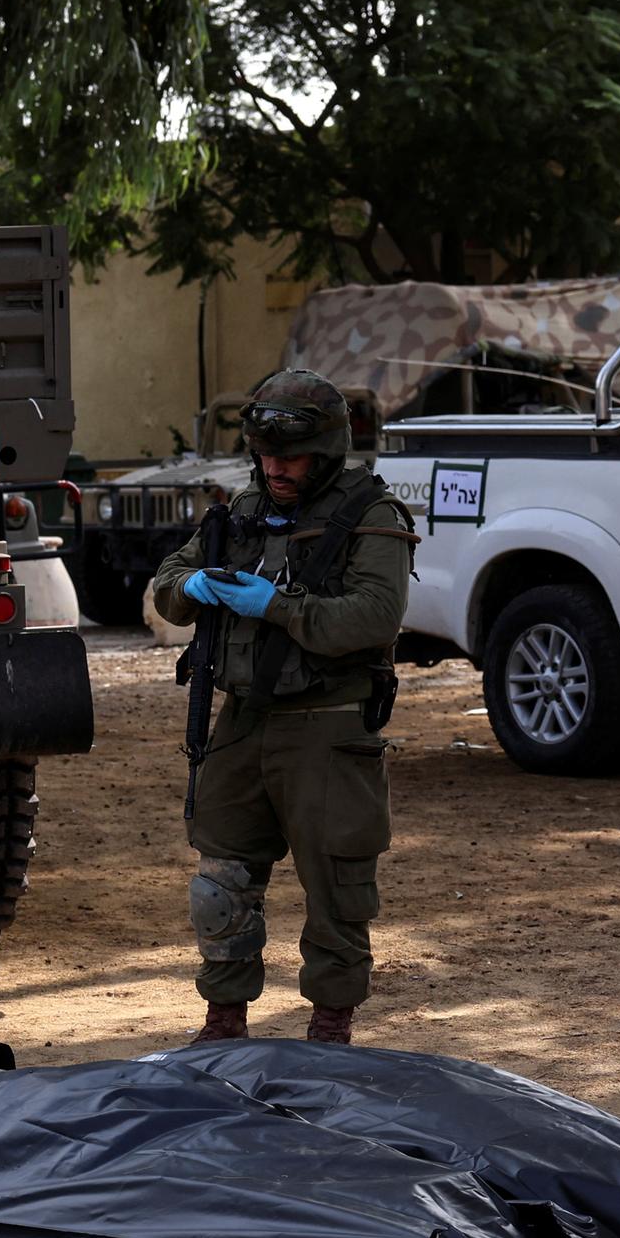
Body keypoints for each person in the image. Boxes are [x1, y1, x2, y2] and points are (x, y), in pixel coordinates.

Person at [145, 368, 417, 1045]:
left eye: (289, 457)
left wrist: (278, 606)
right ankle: (224, 1022)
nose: (275, 469)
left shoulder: (370, 515)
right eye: (265, 457)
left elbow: (374, 617)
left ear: (324, 452)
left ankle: (329, 1029)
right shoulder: (240, 513)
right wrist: (197, 584)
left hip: (328, 728)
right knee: (220, 884)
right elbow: (168, 583)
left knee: (336, 893)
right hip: (243, 723)